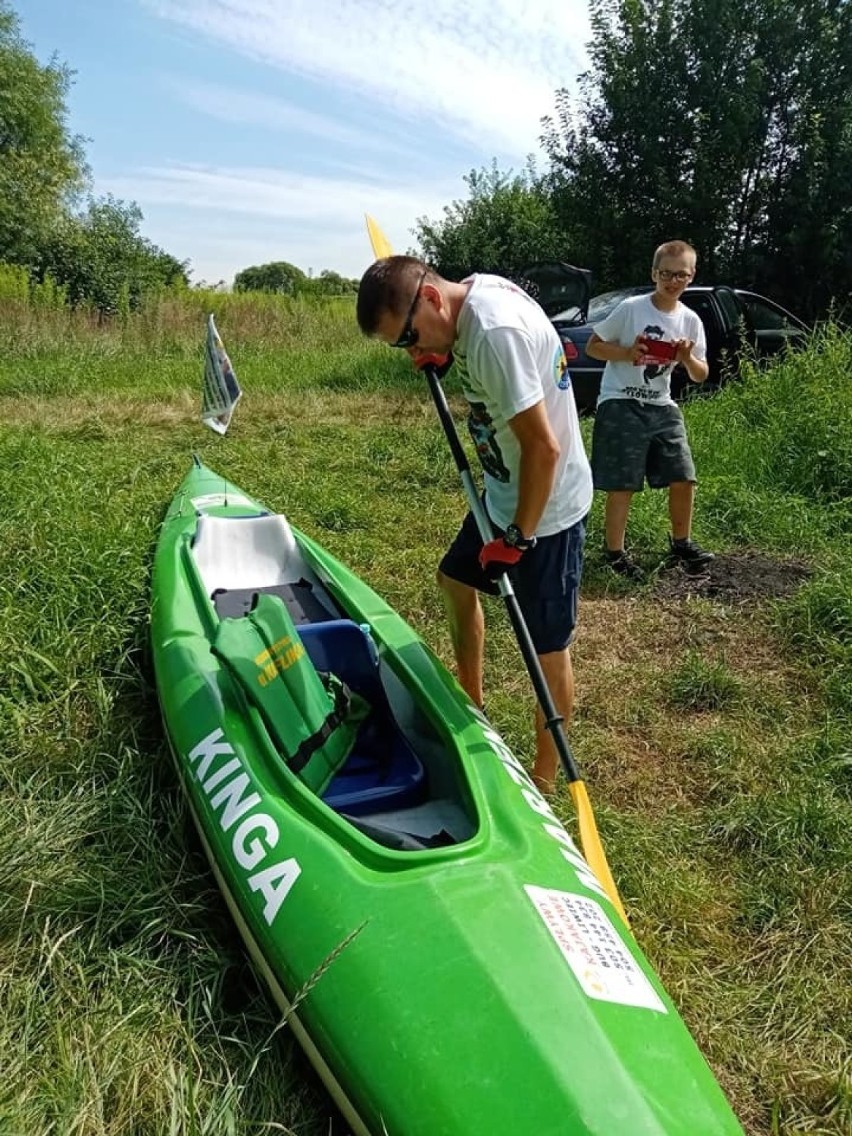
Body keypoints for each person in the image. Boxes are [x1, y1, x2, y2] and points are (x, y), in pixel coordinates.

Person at [356, 256, 593, 794]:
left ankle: (546, 779)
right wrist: (438, 354)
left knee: (546, 648)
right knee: (456, 582)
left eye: (410, 338)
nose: (412, 352)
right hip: (505, 494)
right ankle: (472, 704)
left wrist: (518, 539)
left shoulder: (493, 332)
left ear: (433, 299)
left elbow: (543, 447)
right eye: (403, 347)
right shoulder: (469, 298)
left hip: (544, 510)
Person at [585, 239, 714, 580]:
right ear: (654, 273)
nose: (674, 282)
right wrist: (628, 354)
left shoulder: (690, 320)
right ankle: (614, 553)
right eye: (667, 274)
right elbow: (594, 347)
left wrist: (686, 357)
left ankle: (682, 543)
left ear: (692, 275)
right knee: (623, 482)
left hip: (662, 404)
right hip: (620, 399)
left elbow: (701, 375)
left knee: (684, 476)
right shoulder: (631, 308)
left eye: (681, 275)